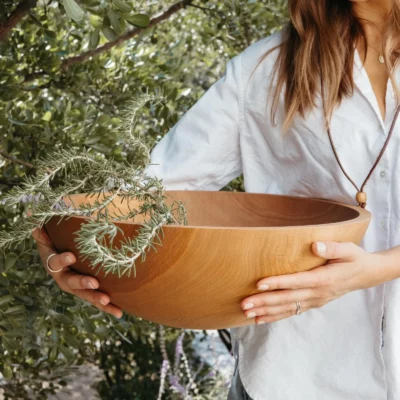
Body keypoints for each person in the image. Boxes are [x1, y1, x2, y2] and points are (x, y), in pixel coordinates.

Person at [33, 0, 400, 398]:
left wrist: (377, 269)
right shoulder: (266, 68)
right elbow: (153, 191)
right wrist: (59, 242)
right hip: (294, 374)